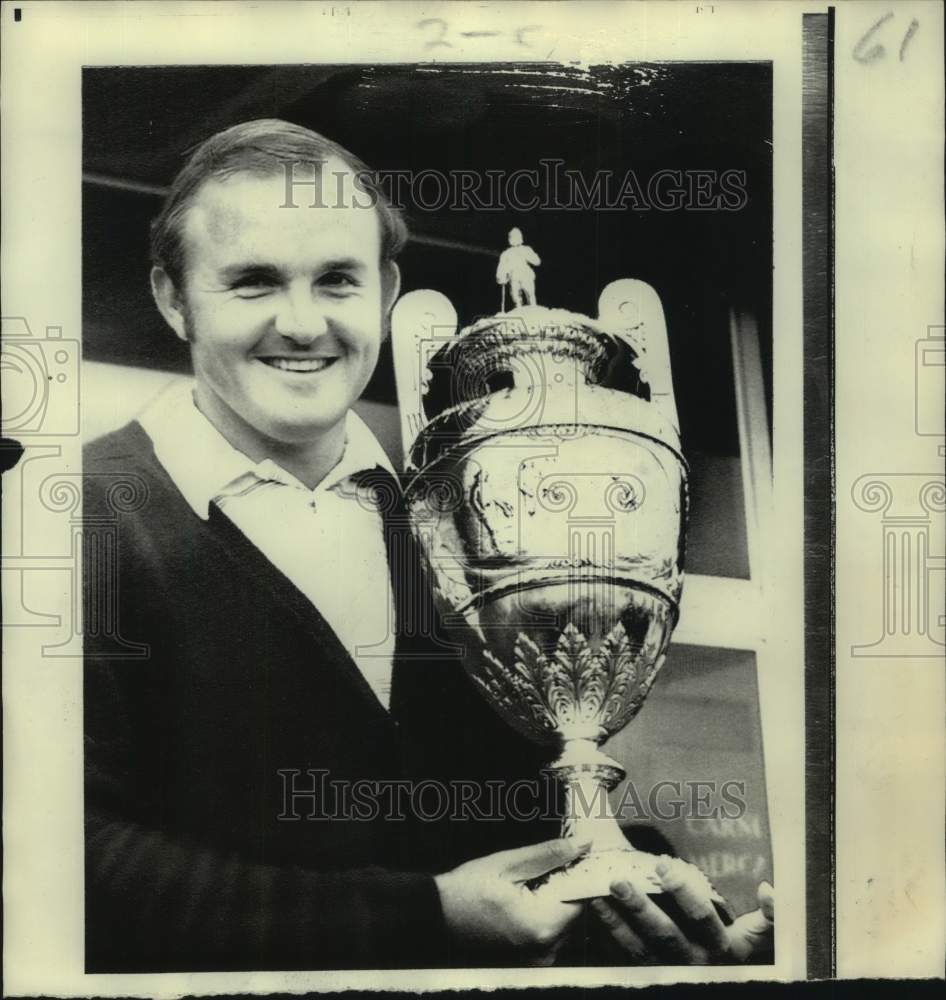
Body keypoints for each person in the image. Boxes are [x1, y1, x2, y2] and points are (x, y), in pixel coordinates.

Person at [83, 118, 773, 972]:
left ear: (385, 291)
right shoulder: (73, 519)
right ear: (171, 295)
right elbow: (71, 861)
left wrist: (662, 910)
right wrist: (427, 915)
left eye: (337, 280)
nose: (302, 324)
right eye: (253, 283)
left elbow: (513, 810)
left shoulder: (441, 522)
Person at [496, 226, 540, 308]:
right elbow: (501, 267)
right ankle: (519, 310)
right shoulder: (506, 253)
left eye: (517, 237)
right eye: (513, 237)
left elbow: (537, 261)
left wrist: (528, 256)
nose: (515, 239)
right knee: (516, 298)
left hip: (526, 275)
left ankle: (533, 309)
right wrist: (501, 277)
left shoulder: (526, 249)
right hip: (514, 277)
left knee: (530, 295)